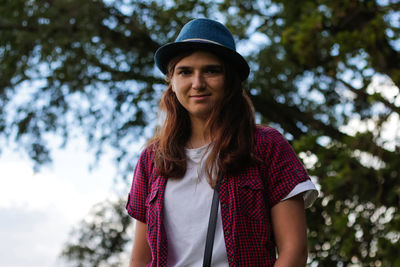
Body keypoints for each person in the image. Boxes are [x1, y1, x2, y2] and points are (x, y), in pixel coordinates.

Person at [126, 18, 318, 267]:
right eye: (185, 72)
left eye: (211, 70)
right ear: (172, 82)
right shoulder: (152, 158)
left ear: (230, 80)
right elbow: (140, 261)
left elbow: (294, 252)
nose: (197, 83)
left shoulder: (266, 145)